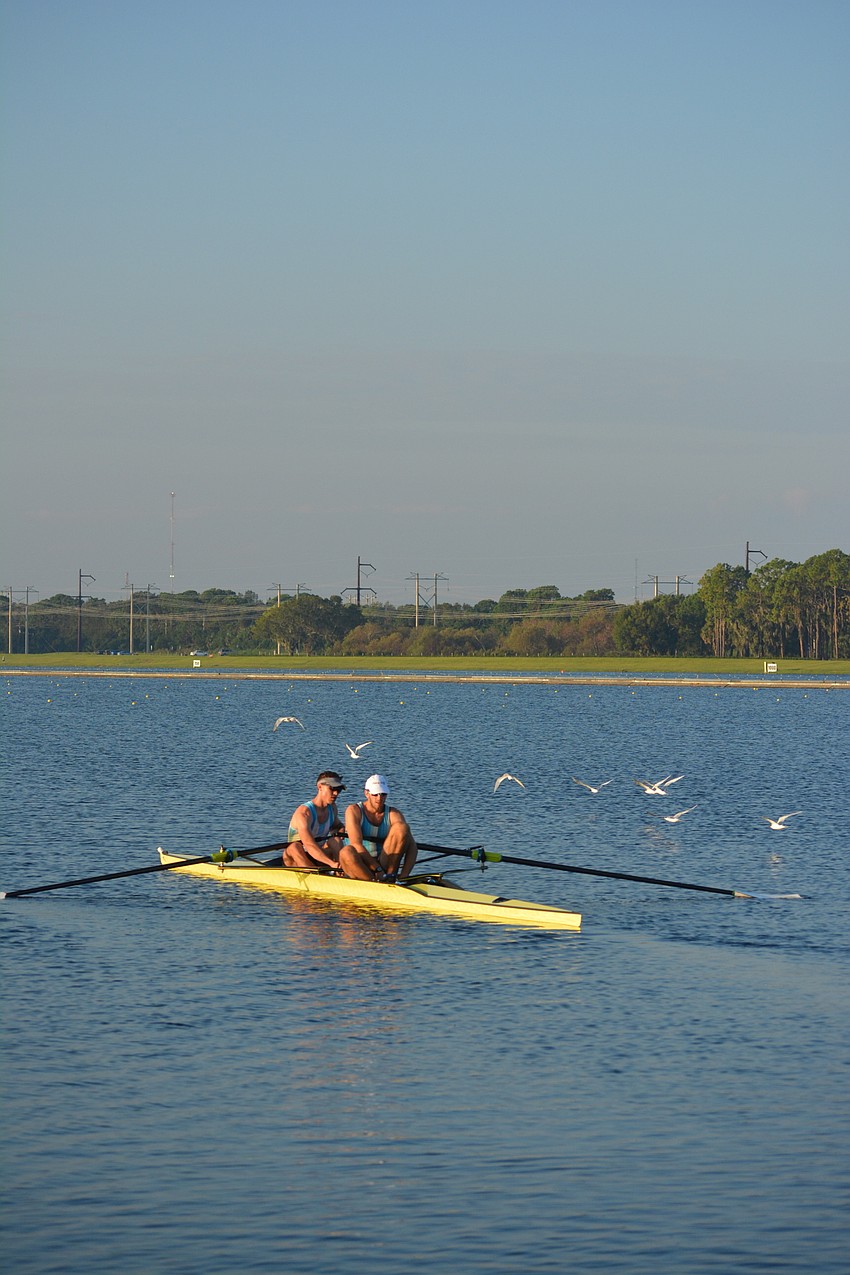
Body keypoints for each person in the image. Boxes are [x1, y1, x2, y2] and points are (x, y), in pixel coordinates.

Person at [339, 774, 418, 881]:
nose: (379, 798)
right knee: (346, 852)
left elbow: (412, 847)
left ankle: (391, 877)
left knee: (402, 827)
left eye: (383, 794)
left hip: (383, 863)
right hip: (360, 862)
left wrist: (405, 875)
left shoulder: (394, 814)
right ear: (366, 793)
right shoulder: (354, 810)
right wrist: (377, 869)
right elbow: (356, 845)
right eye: (375, 794)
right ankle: (373, 881)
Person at [284, 771, 347, 871]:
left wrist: (340, 831)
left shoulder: (332, 808)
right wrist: (331, 863)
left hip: (319, 855)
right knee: (294, 847)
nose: (336, 793)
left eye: (338, 790)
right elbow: (309, 845)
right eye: (332, 788)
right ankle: (317, 873)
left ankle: (342, 872)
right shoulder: (304, 813)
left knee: (335, 841)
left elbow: (338, 826)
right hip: (296, 858)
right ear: (320, 787)